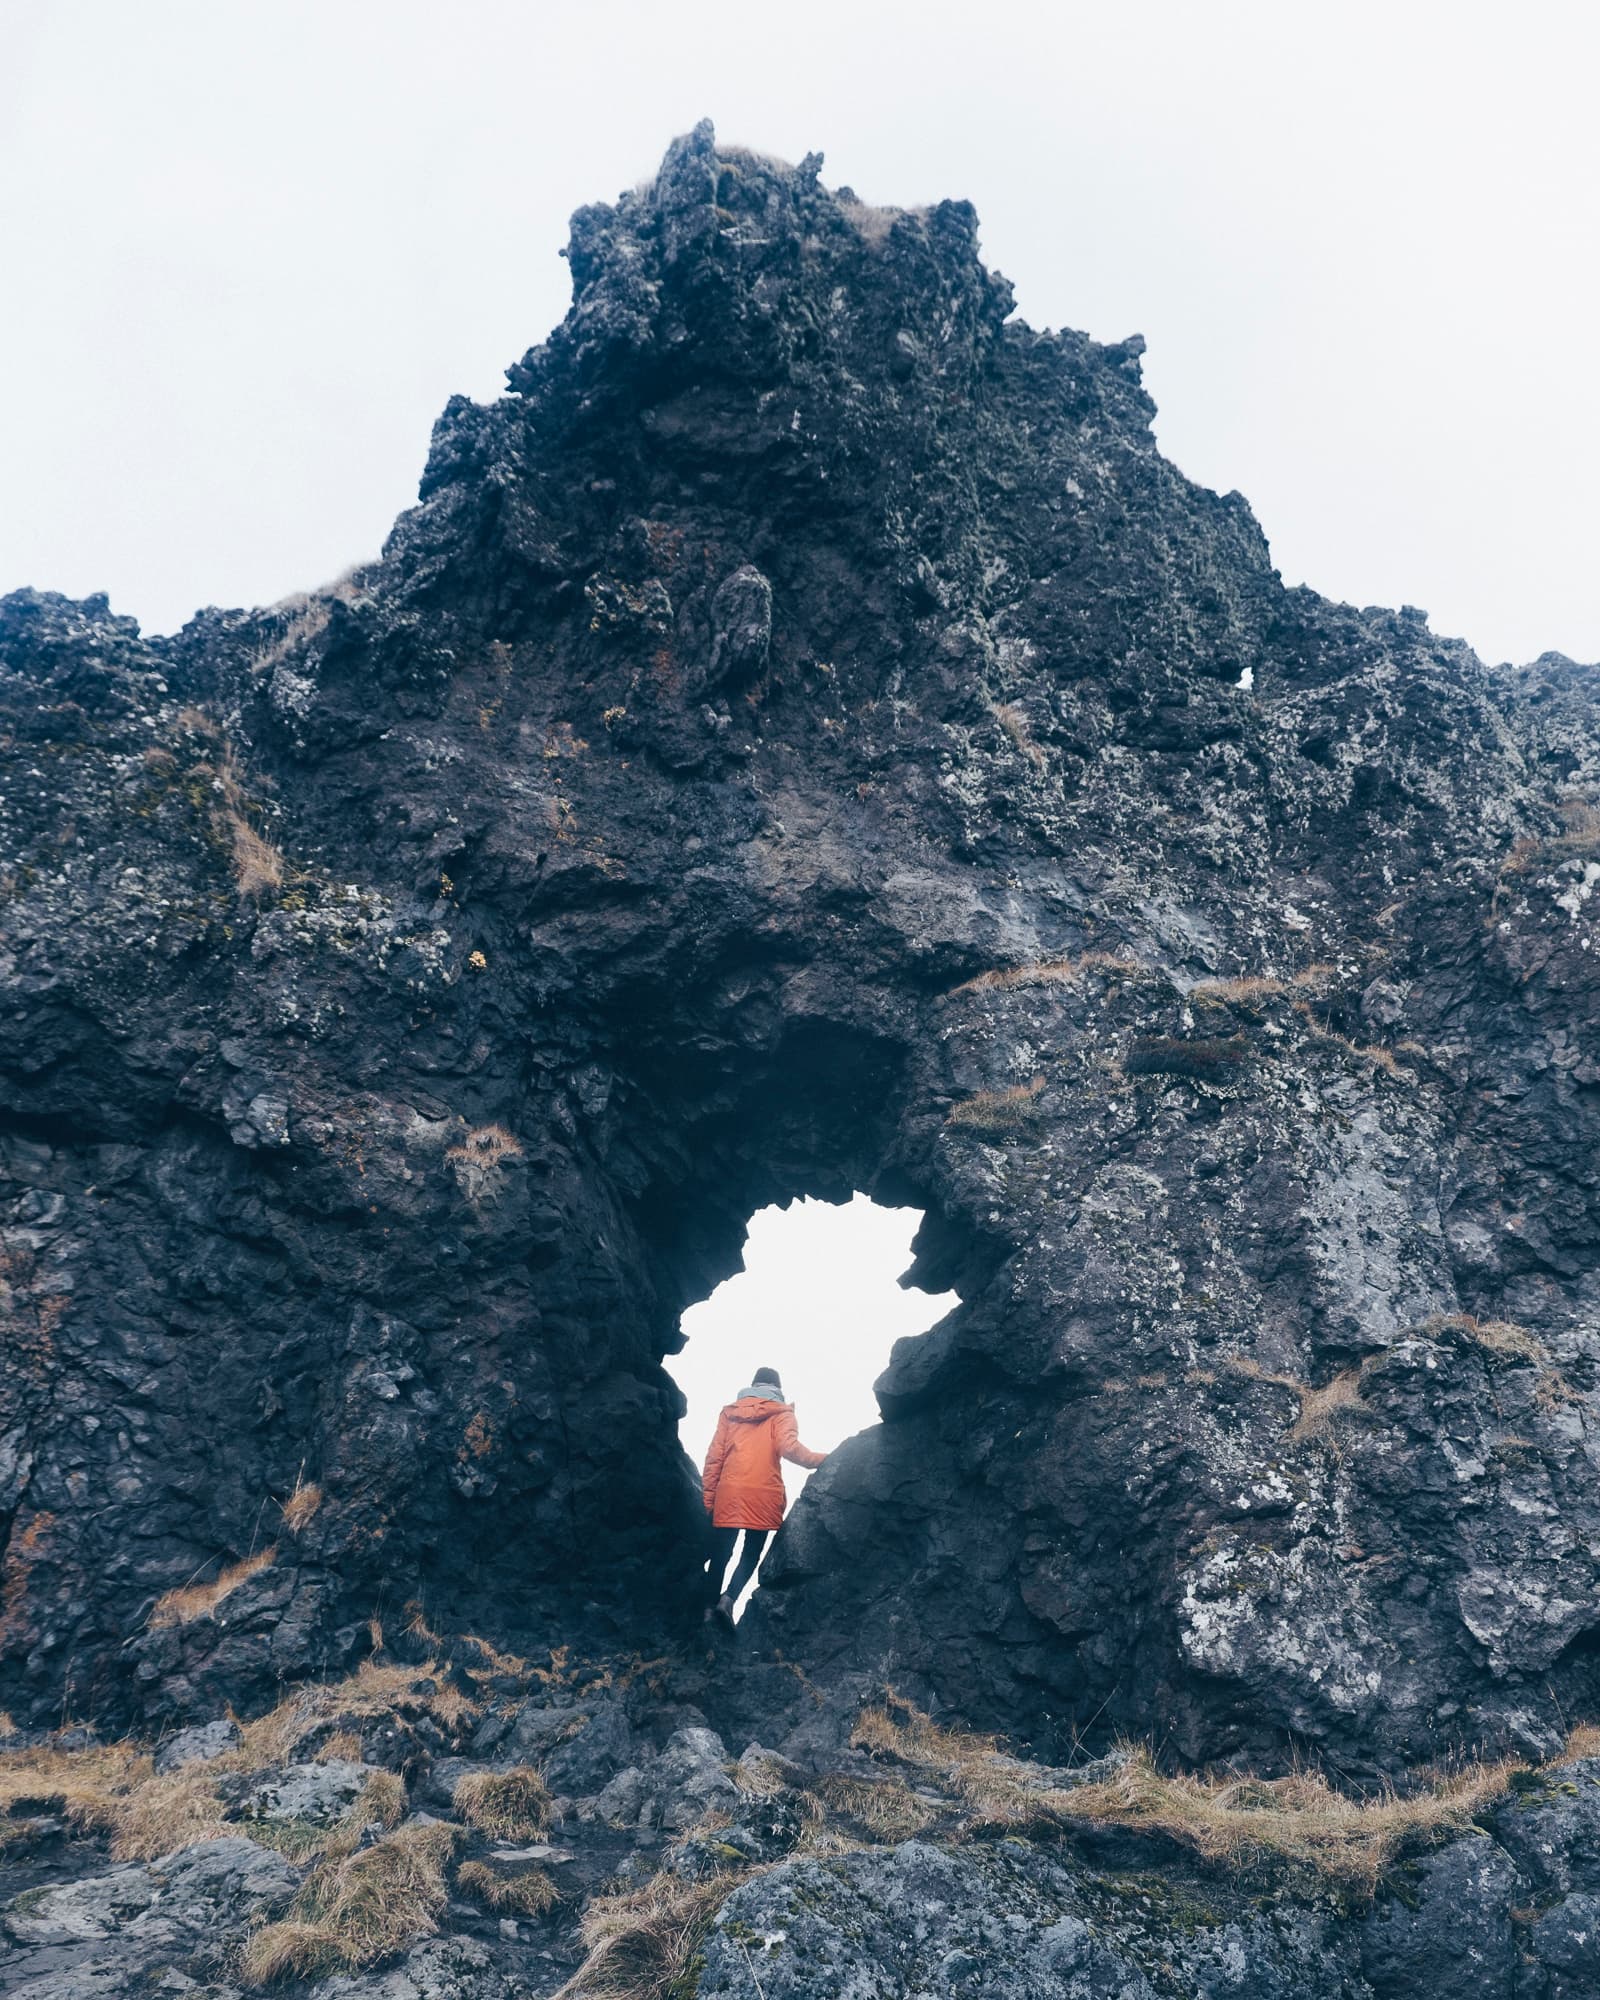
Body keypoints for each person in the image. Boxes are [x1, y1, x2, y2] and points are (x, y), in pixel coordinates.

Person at [700, 1366, 827, 1625]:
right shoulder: (782, 1414)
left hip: (730, 1492)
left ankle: (705, 1611)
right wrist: (824, 1460)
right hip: (763, 1494)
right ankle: (728, 1600)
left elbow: (714, 1458)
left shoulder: (731, 1414)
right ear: (778, 1389)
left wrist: (709, 1500)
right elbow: (789, 1448)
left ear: (753, 1385)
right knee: (751, 1552)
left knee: (721, 1553)